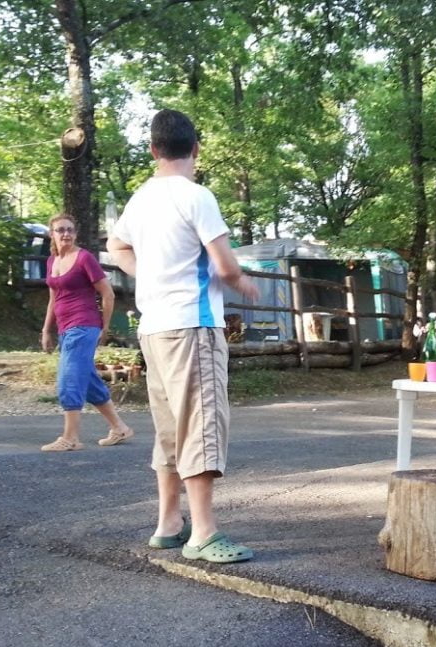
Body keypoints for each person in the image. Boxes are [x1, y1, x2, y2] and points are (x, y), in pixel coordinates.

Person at [107, 109, 260, 564]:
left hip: (153, 328)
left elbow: (117, 247)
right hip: (193, 325)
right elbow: (227, 265)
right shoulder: (197, 197)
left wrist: (147, 275)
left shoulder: (141, 199)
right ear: (195, 149)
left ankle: (168, 524)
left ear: (154, 151)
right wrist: (242, 284)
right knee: (202, 424)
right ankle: (205, 534)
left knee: (170, 428)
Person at [40, 213, 134, 452]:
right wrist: (46, 329)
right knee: (88, 380)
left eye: (70, 229)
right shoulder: (52, 261)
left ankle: (70, 438)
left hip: (84, 326)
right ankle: (119, 427)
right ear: (52, 234)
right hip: (65, 328)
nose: (66, 234)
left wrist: (104, 326)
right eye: (60, 230)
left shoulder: (84, 259)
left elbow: (108, 294)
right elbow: (53, 298)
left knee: (69, 378)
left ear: (75, 233)